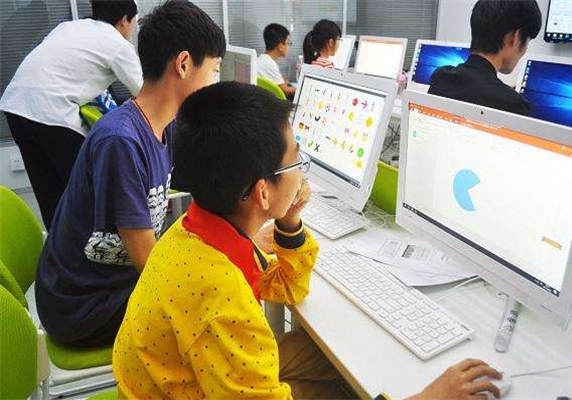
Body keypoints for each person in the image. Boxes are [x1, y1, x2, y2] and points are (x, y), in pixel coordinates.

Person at [113, 81, 503, 400]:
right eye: (297, 162)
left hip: (185, 376)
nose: (303, 172)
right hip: (184, 390)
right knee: (345, 389)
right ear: (262, 192)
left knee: (340, 360)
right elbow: (241, 304)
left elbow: (287, 288)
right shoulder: (221, 297)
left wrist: (289, 216)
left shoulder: (196, 231)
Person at [34, 0, 226, 348]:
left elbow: (200, 178)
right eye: (214, 70)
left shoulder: (162, 125)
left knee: (215, 281)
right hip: (85, 308)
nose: (216, 82)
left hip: (108, 284)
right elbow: (150, 264)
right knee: (216, 306)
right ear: (183, 64)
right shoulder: (121, 141)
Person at [0, 0, 143, 229]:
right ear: (125, 20)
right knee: (88, 190)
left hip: (16, 108)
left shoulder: (69, 27)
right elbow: (146, 93)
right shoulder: (118, 44)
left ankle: (58, 247)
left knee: (50, 193)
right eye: (135, 21)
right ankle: (94, 246)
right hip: (51, 113)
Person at [428, 0, 542, 116]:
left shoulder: (440, 77)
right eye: (527, 42)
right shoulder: (514, 105)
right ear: (514, 38)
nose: (525, 49)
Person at [258, 23, 296, 98]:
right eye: (288, 43)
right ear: (280, 47)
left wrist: (284, 82)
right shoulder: (269, 63)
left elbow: (280, 81)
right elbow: (286, 90)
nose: (289, 46)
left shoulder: (264, 59)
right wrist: (302, 89)